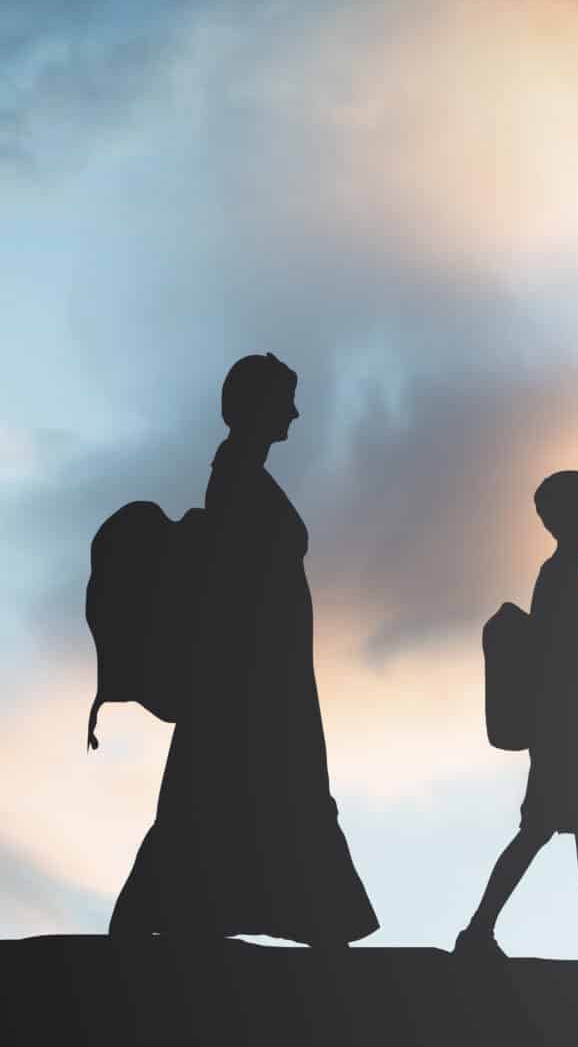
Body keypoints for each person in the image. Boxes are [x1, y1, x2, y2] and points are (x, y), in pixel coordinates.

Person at [111, 352, 377, 947]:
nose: (296, 412)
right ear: (258, 406)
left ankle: (303, 920)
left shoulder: (239, 473)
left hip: (268, 669)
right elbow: (233, 584)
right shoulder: (234, 476)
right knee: (233, 792)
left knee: (224, 792)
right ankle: (320, 923)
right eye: (286, 400)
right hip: (250, 674)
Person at [455, 471, 578, 959]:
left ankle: (481, 931)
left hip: (570, 730)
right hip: (567, 733)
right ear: (574, 516)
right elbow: (557, 661)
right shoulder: (560, 577)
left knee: (558, 835)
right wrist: (572, 731)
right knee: (574, 836)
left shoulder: (564, 575)